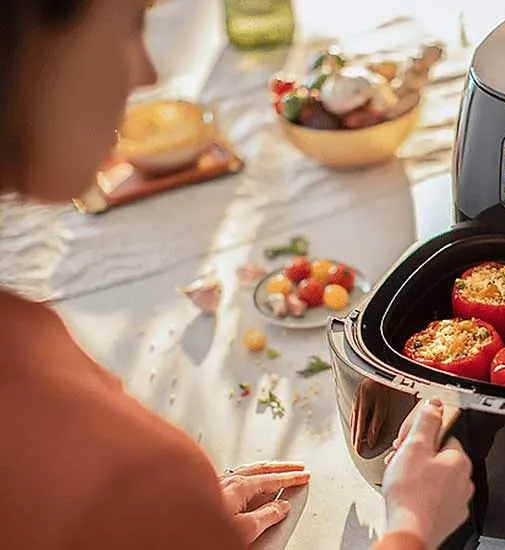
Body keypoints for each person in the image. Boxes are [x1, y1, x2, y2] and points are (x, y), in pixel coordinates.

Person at [0, 1, 473, 549]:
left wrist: (170, 530)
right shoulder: (129, 476)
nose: (148, 73)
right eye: (130, 25)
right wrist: (414, 527)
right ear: (26, 45)